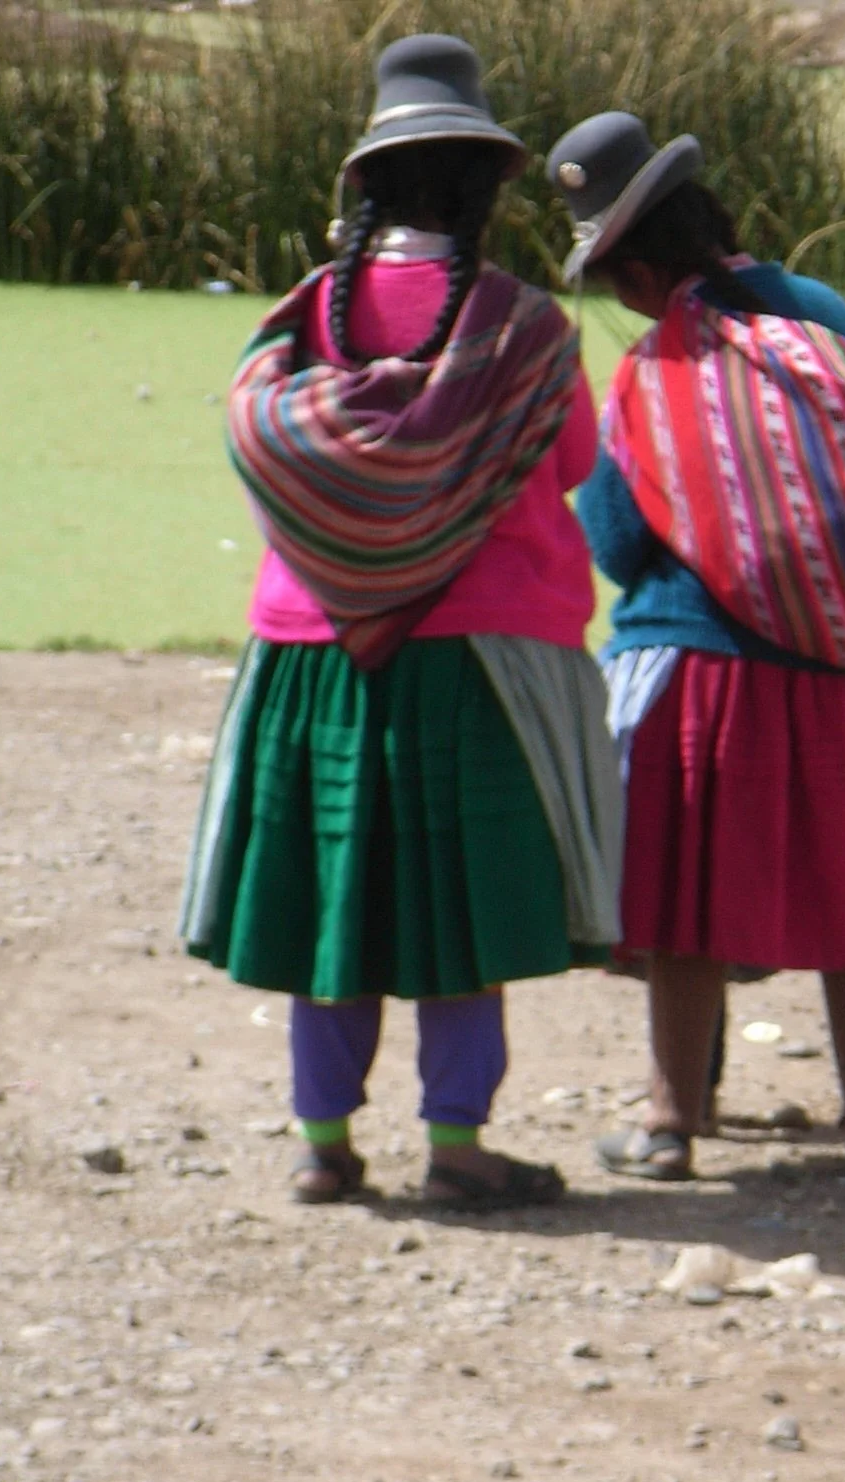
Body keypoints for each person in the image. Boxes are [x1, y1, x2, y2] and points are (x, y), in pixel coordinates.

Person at [180, 37, 622, 1208]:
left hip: (310, 649)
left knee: (335, 897)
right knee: (458, 912)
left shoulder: (294, 322)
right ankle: (458, 1147)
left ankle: (321, 1142)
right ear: (481, 188)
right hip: (479, 658)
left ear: (367, 185)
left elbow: (255, 446)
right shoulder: (523, 328)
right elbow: (573, 459)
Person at [547, 113, 845, 1182]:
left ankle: (670, 1123)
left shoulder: (654, 365)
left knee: (682, 912)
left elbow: (618, 539)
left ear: (631, 266)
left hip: (703, 669)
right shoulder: (823, 313)